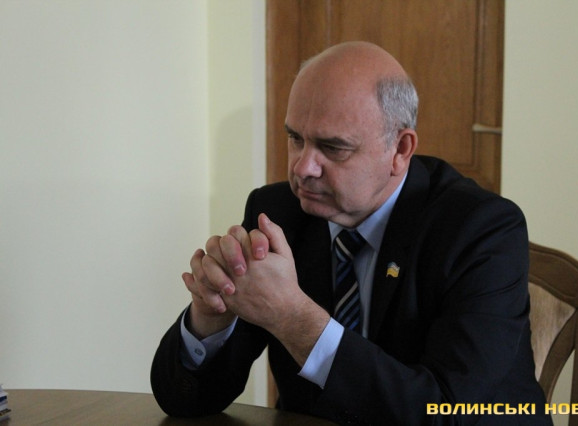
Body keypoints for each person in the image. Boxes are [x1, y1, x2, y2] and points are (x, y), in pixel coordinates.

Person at [151, 41, 551, 425]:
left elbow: (445, 412)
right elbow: (185, 403)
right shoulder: (278, 213)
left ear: (400, 150)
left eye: (333, 148)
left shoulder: (480, 229)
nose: (303, 168)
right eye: (295, 139)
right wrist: (210, 320)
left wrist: (295, 319)